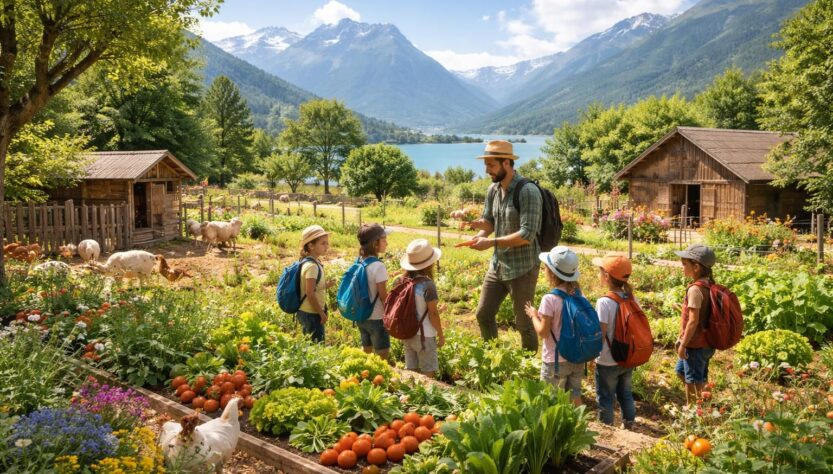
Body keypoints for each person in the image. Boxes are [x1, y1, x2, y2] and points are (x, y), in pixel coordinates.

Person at [467, 140, 542, 352]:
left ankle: (528, 366)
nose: (486, 170)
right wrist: (477, 232)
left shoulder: (528, 191)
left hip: (523, 268)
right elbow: (489, 223)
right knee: (483, 314)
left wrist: (490, 242)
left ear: (507, 163)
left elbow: (527, 234)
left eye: (491, 165)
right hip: (498, 264)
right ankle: (493, 357)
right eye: (486, 165)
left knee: (524, 324)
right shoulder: (493, 189)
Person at [524, 246, 584, 406]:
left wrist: (533, 315)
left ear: (551, 273)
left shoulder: (550, 299)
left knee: (550, 403)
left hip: (555, 361)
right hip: (577, 358)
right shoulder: (579, 294)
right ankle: (579, 421)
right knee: (575, 398)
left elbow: (543, 333)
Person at [593, 253, 637, 429]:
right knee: (625, 393)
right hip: (627, 356)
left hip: (607, 360)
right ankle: (629, 424)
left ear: (606, 276)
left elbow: (601, 333)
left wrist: (592, 355)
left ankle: (607, 429)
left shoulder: (604, 302)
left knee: (605, 396)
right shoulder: (632, 298)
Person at [674, 244, 717, 404]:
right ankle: (706, 400)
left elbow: (693, 321)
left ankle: (693, 410)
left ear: (696, 267)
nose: (682, 268)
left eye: (685, 264)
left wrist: (683, 344)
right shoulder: (709, 285)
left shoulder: (694, 290)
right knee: (682, 372)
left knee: (692, 381)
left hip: (694, 345)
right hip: (706, 343)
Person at [399, 239, 445, 379]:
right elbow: (432, 314)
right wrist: (441, 334)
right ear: (429, 264)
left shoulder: (401, 281)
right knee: (428, 373)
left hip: (407, 332)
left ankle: (409, 392)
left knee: (410, 372)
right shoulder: (427, 285)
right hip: (425, 335)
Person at [355, 223, 392, 362]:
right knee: (382, 354)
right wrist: (390, 314)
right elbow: (383, 296)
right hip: (376, 316)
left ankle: (366, 373)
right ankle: (379, 375)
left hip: (361, 315)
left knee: (366, 350)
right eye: (384, 240)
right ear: (375, 244)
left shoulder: (359, 261)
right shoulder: (378, 266)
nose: (386, 243)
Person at [297, 225, 334, 343]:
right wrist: (321, 313)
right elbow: (310, 293)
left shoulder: (310, 262)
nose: (326, 246)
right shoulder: (312, 266)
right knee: (316, 347)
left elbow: (312, 288)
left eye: (327, 243)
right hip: (311, 313)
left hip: (308, 311)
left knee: (311, 345)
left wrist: (325, 285)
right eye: (323, 243)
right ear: (311, 246)